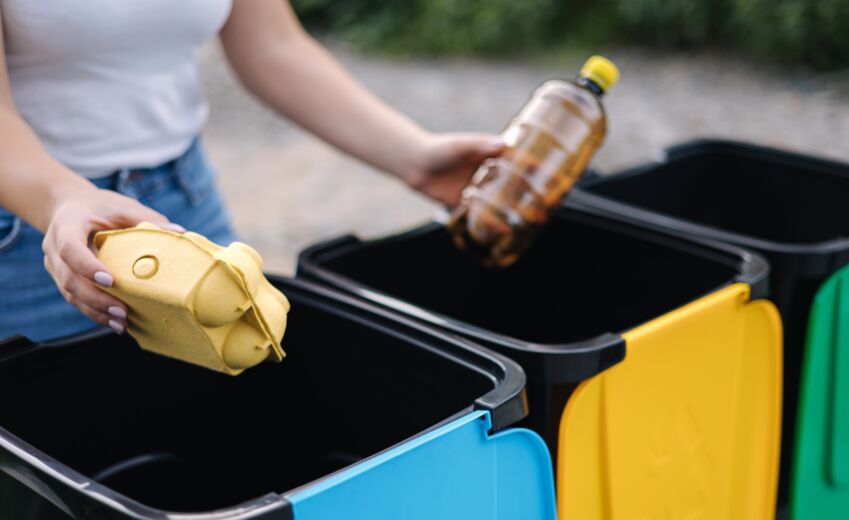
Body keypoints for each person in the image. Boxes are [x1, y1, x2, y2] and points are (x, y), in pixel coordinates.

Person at [0, 0, 504, 341]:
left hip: (178, 202)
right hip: (29, 231)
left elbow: (270, 46)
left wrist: (415, 158)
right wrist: (62, 200)